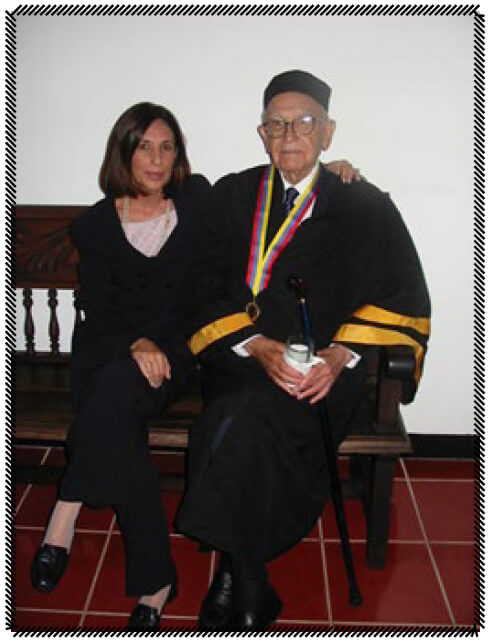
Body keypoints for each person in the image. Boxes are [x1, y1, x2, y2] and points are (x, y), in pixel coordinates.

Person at [29, 99, 358, 629]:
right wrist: (135, 342)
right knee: (117, 397)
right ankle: (155, 580)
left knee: (115, 402)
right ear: (123, 153)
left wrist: (334, 172)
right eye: (144, 148)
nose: (156, 160)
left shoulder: (199, 200)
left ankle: (67, 503)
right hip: (113, 348)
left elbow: (272, 181)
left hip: (174, 358)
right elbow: (100, 305)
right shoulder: (95, 224)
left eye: (167, 147)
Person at [176, 70, 431, 631]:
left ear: (329, 131)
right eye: (277, 123)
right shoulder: (233, 194)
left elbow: (403, 293)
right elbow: (197, 284)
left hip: (323, 374)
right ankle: (248, 583)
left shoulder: (363, 203)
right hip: (242, 360)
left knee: (238, 424)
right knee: (241, 412)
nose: (290, 134)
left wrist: (341, 356)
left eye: (305, 121)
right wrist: (255, 343)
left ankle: (232, 576)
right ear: (262, 133)